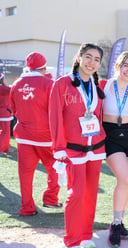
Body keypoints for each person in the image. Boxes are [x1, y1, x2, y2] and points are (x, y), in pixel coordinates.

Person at [49, 43, 107, 248]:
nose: (92, 63)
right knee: (77, 193)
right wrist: (59, 148)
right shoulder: (62, 84)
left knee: (90, 194)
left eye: (97, 59)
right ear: (79, 57)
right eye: (88, 57)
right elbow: (54, 117)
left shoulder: (95, 84)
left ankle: (85, 236)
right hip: (73, 150)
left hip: (96, 148)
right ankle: (71, 241)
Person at [10, 52, 61, 216]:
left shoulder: (16, 83)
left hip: (24, 136)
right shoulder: (49, 83)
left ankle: (27, 208)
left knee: (25, 174)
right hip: (46, 137)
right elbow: (55, 111)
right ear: (44, 68)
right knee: (55, 170)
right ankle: (51, 199)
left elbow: (14, 109)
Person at [100, 51, 128, 247]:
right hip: (110, 136)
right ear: (118, 65)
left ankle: (121, 221)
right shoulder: (104, 86)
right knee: (123, 178)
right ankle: (115, 225)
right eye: (126, 65)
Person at [0, 73, 13, 155]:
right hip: (3, 113)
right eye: (4, 78)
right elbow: (13, 90)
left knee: (6, 132)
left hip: (5, 113)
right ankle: (1, 149)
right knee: (4, 132)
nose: (5, 80)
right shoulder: (3, 88)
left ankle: (5, 148)